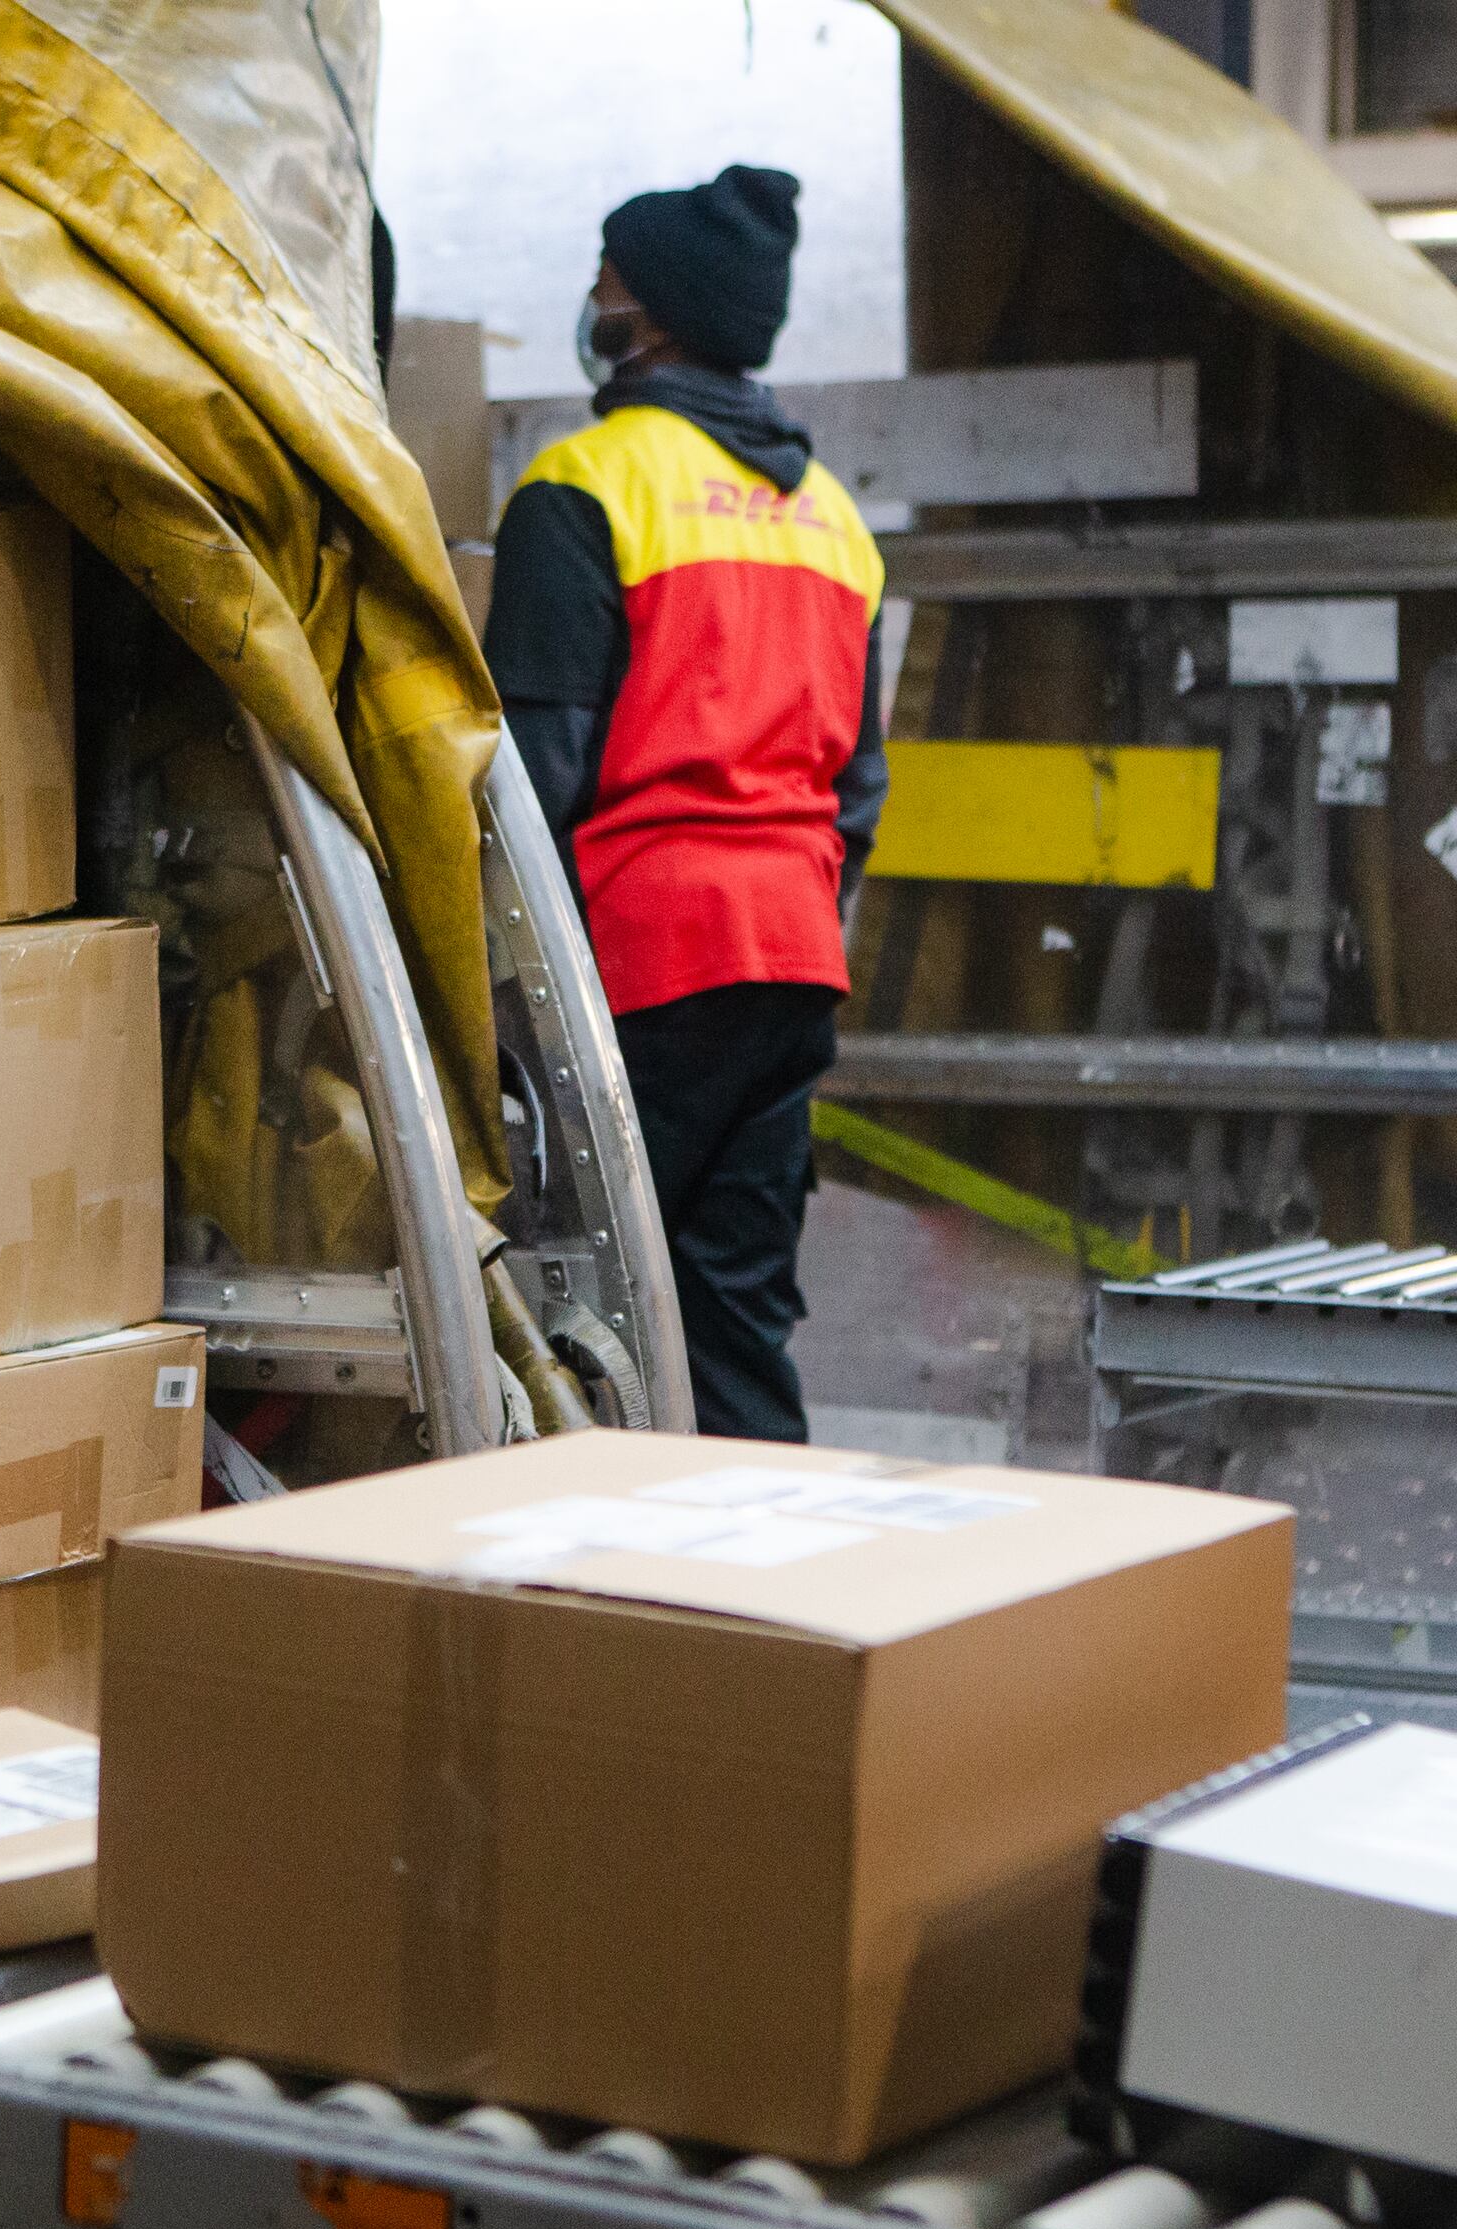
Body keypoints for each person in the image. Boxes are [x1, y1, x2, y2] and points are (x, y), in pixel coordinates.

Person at [484, 166, 887, 1441]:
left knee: (579, 1315)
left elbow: (534, 778)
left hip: (646, 962)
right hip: (791, 962)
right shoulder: (833, 519)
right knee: (733, 1315)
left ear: (650, 313)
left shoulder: (586, 486)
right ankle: (770, 1619)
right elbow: (858, 792)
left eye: (608, 279)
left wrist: (492, 990)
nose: (593, 300)